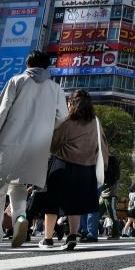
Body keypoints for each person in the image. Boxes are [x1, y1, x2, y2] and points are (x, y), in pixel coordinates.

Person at [0, 50, 68, 251]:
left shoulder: (17, 81)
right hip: (36, 150)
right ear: (47, 67)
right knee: (18, 187)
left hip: (7, 144)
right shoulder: (56, 89)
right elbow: (62, 119)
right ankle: (20, 217)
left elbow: (0, 113)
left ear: (28, 63)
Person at [37, 90, 108, 251]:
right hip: (86, 169)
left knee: (52, 203)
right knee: (76, 205)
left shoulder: (66, 122)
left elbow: (54, 145)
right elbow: (102, 146)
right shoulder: (95, 122)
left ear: (72, 104)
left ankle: (48, 239)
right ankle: (72, 236)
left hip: (63, 165)